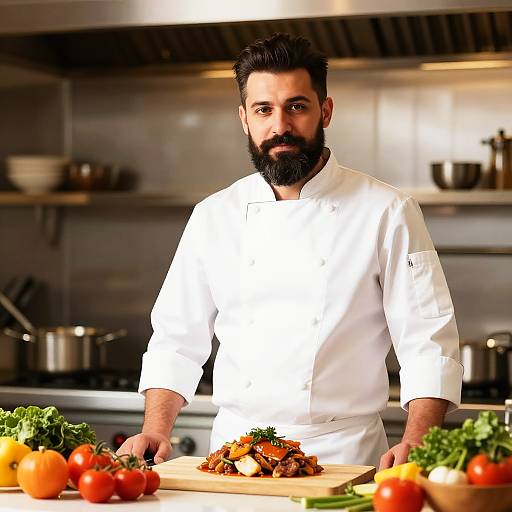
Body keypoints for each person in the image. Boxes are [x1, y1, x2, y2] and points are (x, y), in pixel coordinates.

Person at [117, 33, 462, 470]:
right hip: (232, 458)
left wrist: (418, 441)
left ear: (326, 111)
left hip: (344, 457)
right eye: (263, 109)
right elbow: (175, 341)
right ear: (244, 118)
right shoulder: (213, 216)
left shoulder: (387, 211)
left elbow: (427, 344)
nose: (280, 126)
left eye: (296, 106)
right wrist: (156, 430)